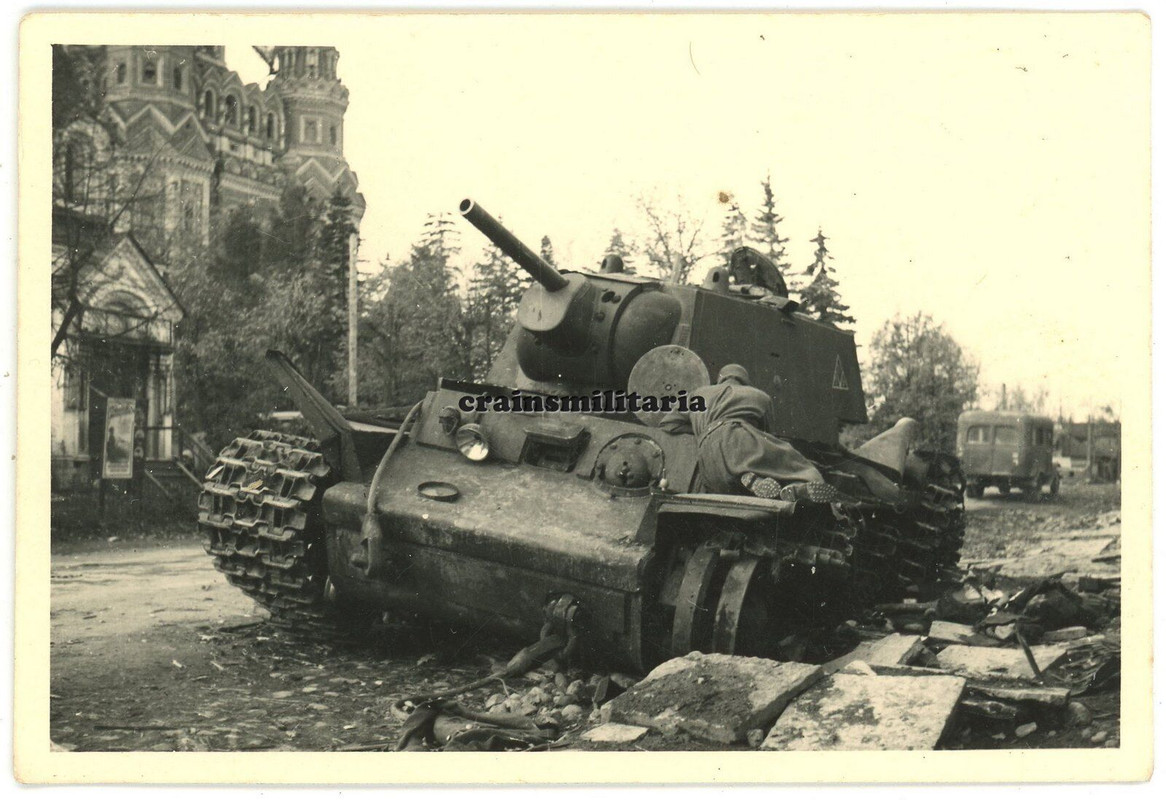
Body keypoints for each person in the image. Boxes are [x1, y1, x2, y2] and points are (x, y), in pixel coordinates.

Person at [659, 363, 842, 503]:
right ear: (744, 380)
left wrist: (702, 428)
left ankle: (750, 479)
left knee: (729, 479)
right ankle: (798, 485)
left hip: (707, 454)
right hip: (740, 440)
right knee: (791, 461)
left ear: (720, 379)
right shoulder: (759, 396)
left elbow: (668, 424)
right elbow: (766, 433)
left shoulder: (698, 393)